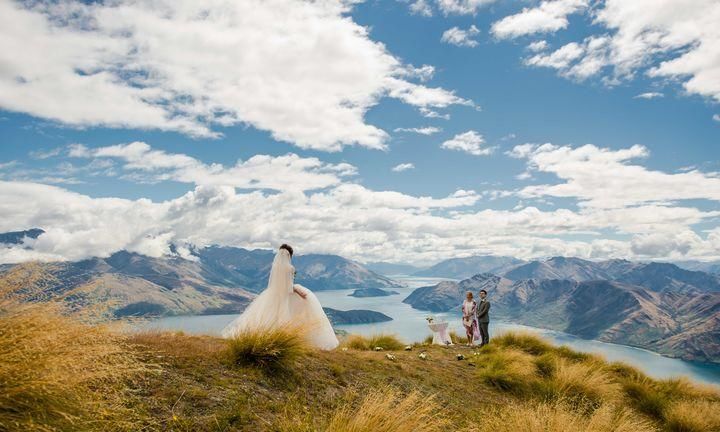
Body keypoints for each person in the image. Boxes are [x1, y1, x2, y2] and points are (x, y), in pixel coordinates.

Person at [222, 244, 339, 350]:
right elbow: (289, 286)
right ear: (289, 254)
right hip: (287, 294)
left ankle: (269, 337)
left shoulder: (275, 267)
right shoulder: (290, 268)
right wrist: (299, 291)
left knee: (269, 316)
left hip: (273, 293)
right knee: (304, 306)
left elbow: (277, 284)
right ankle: (294, 339)